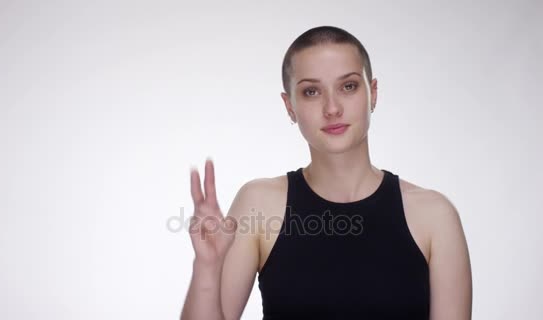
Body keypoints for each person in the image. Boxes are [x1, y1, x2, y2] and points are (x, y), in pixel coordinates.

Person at [180, 26, 472, 320]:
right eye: (311, 91)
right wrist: (207, 268)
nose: (332, 108)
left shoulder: (434, 216)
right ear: (290, 106)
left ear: (373, 94)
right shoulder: (260, 204)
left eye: (348, 86)